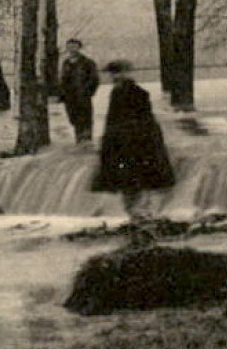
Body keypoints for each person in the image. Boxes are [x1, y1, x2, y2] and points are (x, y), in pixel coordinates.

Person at [90, 60, 175, 221]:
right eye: (113, 73)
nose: (114, 76)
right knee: (137, 178)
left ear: (126, 72)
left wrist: (112, 139)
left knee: (132, 178)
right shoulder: (128, 91)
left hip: (131, 142)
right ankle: (140, 212)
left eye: (117, 72)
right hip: (135, 140)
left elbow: (126, 119)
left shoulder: (127, 92)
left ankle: (139, 213)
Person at [57, 38, 100, 143]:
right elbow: (62, 79)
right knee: (73, 118)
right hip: (69, 97)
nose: (72, 49)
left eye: (74, 46)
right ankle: (79, 139)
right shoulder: (66, 63)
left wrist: (87, 91)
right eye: (69, 47)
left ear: (79, 48)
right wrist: (62, 94)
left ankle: (86, 140)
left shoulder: (87, 62)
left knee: (85, 118)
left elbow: (94, 79)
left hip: (83, 95)